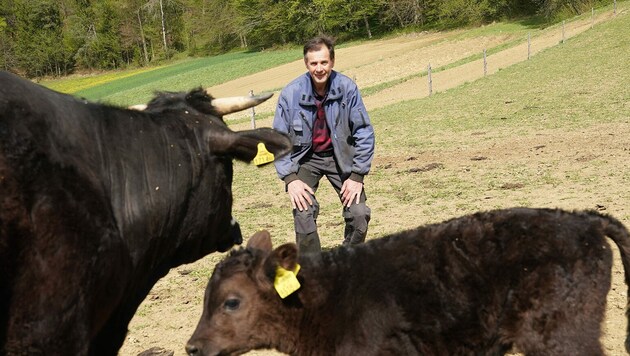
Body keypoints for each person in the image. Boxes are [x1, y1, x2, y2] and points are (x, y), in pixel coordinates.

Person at [272, 35, 375, 254]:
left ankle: (346, 262)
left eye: (324, 62)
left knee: (359, 214)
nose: (319, 68)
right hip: (307, 159)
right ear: (306, 64)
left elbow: (364, 131)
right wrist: (290, 179)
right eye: (314, 63)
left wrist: (357, 176)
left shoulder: (347, 88)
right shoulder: (290, 94)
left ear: (332, 62)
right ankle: (313, 268)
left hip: (341, 157)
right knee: (303, 210)